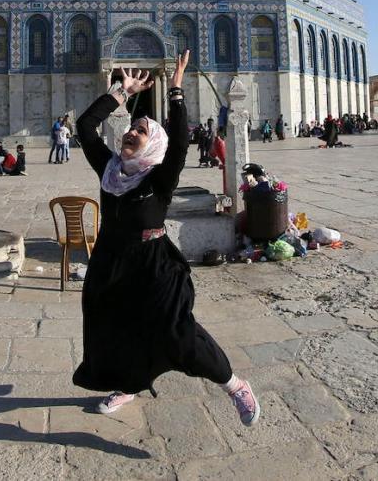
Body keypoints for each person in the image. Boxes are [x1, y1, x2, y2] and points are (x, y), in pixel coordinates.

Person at [73, 52, 258, 426]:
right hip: (112, 262)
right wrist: (119, 92)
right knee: (113, 327)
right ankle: (129, 384)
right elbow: (85, 126)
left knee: (176, 331)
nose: (132, 132)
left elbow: (179, 144)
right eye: (132, 128)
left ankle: (235, 384)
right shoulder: (110, 170)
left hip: (154, 264)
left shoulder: (158, 179)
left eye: (142, 130)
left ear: (152, 143)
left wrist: (176, 89)